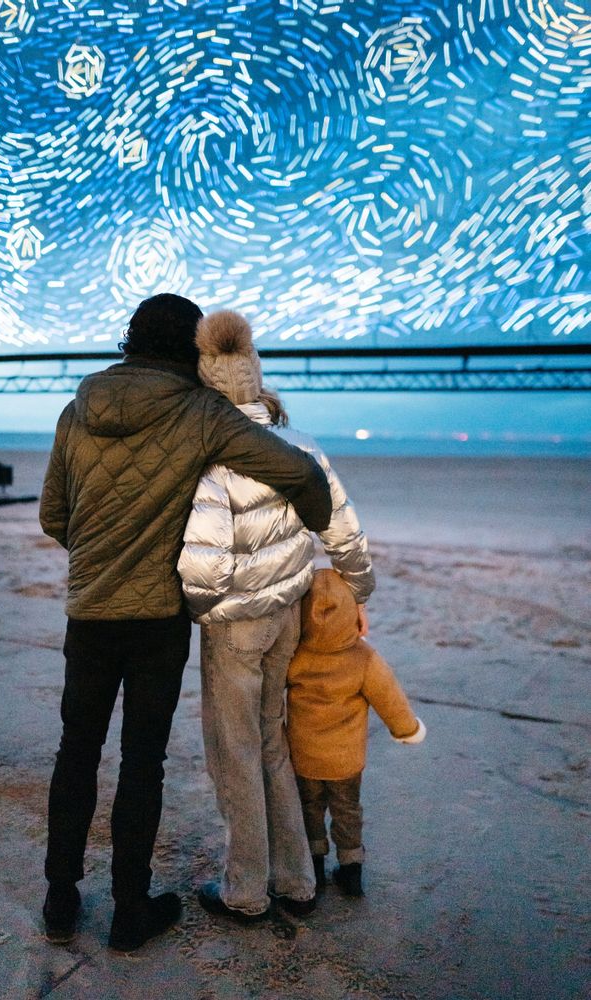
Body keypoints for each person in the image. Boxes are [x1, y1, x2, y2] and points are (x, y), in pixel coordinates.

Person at [38, 293, 332, 952]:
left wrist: (97, 562)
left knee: (75, 755)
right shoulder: (200, 413)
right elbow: (299, 470)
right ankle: (128, 910)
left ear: (129, 340)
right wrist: (310, 533)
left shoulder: (74, 409)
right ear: (191, 350)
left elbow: (54, 515)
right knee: (143, 763)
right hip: (157, 621)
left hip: (88, 613)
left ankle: (59, 900)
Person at [177, 309, 374, 923]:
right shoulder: (301, 445)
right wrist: (359, 592)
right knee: (271, 744)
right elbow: (343, 529)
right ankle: (296, 880)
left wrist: (204, 612)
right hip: (287, 616)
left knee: (233, 753)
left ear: (209, 385)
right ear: (257, 378)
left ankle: (245, 891)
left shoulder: (215, 460)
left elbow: (204, 569)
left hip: (237, 625)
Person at [287, 568, 426, 898]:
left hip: (304, 756)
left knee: (309, 809)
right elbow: (389, 698)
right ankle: (350, 871)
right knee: (347, 811)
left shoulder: (295, 654)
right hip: (346, 760)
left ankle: (314, 869)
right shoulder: (363, 658)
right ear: (352, 609)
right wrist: (407, 729)